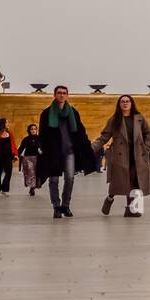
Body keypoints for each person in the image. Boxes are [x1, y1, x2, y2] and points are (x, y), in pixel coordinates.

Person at [91, 94, 150, 217]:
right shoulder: (114, 119)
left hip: (137, 156)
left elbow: (148, 133)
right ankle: (110, 198)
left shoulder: (139, 118)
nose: (125, 103)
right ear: (119, 104)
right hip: (121, 156)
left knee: (134, 182)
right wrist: (90, 149)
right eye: (123, 101)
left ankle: (130, 209)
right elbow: (104, 137)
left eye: (128, 101)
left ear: (131, 104)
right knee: (117, 183)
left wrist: (146, 148)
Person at [36, 85, 97, 218]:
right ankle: (56, 206)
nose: (62, 95)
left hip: (70, 152)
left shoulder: (73, 113)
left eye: (64, 93)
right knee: (53, 180)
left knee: (69, 178)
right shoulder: (46, 113)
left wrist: (87, 147)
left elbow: (80, 131)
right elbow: (42, 134)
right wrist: (44, 149)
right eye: (59, 93)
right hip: (53, 153)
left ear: (67, 95)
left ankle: (66, 205)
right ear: (54, 95)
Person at [0, 118, 18, 197]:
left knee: (9, 173)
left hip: (8, 156)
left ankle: (4, 189)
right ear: (2, 124)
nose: (8, 124)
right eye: (6, 122)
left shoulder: (10, 133)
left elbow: (13, 145)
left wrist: (15, 154)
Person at [17, 123, 42, 196]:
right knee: (30, 173)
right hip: (28, 158)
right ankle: (32, 187)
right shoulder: (26, 139)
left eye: (35, 129)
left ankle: (34, 185)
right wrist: (15, 155)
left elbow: (44, 148)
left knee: (37, 173)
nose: (33, 130)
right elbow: (21, 148)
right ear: (29, 130)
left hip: (38, 158)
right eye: (32, 129)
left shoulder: (39, 138)